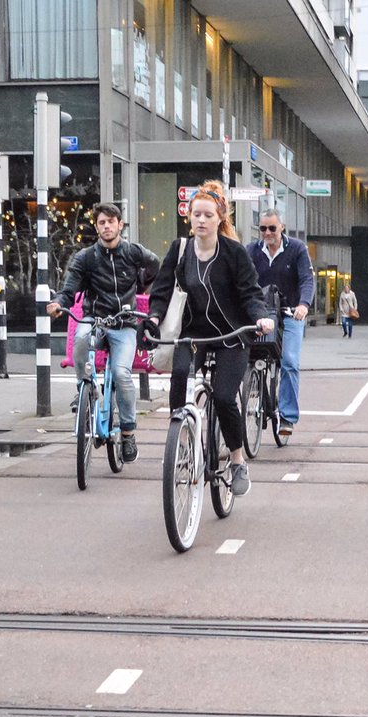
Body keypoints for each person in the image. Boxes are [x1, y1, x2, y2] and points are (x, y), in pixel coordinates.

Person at [149, 180, 274, 497]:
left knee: (223, 396)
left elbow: (250, 293)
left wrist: (260, 316)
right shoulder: (179, 250)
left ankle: (236, 458)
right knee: (179, 378)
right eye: (196, 215)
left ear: (220, 218)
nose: (201, 220)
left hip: (232, 336)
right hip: (193, 335)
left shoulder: (233, 253)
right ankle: (180, 446)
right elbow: (161, 291)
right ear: (189, 218)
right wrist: (152, 318)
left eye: (207, 215)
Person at [46, 202, 159, 463]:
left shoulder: (133, 252)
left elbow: (156, 266)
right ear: (96, 227)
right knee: (81, 338)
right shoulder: (86, 257)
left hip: (125, 322)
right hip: (94, 318)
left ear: (120, 224)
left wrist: (140, 285)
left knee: (121, 373)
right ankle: (83, 388)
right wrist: (59, 305)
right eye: (101, 222)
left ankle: (128, 432)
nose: (106, 226)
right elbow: (69, 288)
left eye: (111, 221)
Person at [246, 208, 314, 438]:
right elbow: (243, 280)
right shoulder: (252, 251)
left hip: (290, 313)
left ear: (281, 227)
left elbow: (306, 279)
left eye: (272, 228)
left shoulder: (296, 249)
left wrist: (303, 305)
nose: (267, 233)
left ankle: (287, 416)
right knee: (247, 357)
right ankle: (251, 395)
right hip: (263, 315)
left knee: (289, 361)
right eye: (263, 228)